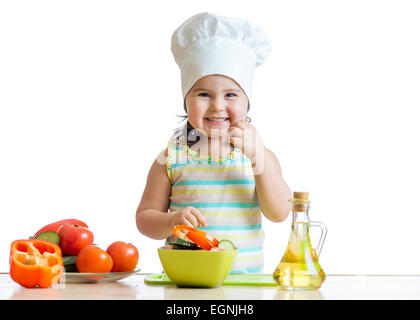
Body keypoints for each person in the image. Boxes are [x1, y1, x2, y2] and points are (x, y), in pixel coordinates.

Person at [136, 12, 292, 273]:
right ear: (186, 100)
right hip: (184, 283)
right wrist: (172, 220)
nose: (218, 106)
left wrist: (259, 160)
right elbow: (144, 219)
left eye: (231, 94)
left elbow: (279, 213)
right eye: (204, 94)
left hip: (245, 284)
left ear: (247, 101)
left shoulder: (261, 157)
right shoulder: (170, 158)